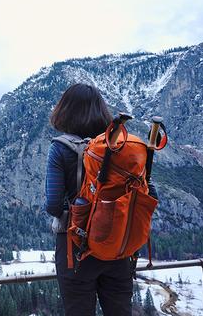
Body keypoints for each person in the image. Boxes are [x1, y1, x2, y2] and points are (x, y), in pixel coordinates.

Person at [45, 83, 157, 316]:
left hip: (75, 249)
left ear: (64, 111)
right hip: (118, 246)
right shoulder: (119, 148)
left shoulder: (60, 149)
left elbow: (54, 205)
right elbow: (148, 193)